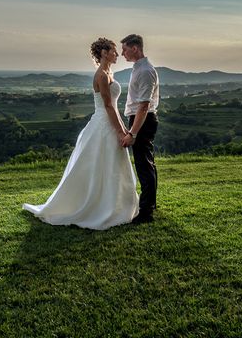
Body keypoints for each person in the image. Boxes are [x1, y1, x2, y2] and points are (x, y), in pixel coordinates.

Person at [22, 38, 139, 230]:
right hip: (103, 124)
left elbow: (113, 107)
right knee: (102, 164)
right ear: (103, 53)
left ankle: (116, 204)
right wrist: (120, 131)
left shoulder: (109, 72)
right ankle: (100, 206)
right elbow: (108, 106)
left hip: (109, 121)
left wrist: (123, 128)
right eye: (113, 51)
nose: (117, 54)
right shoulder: (101, 75)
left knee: (113, 164)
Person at [120, 34, 159, 224]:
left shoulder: (145, 71)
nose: (122, 53)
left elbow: (143, 106)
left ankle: (146, 212)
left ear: (135, 48)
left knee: (144, 166)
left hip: (142, 120)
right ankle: (150, 204)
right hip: (140, 119)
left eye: (125, 49)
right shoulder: (139, 69)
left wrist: (132, 133)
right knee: (147, 164)